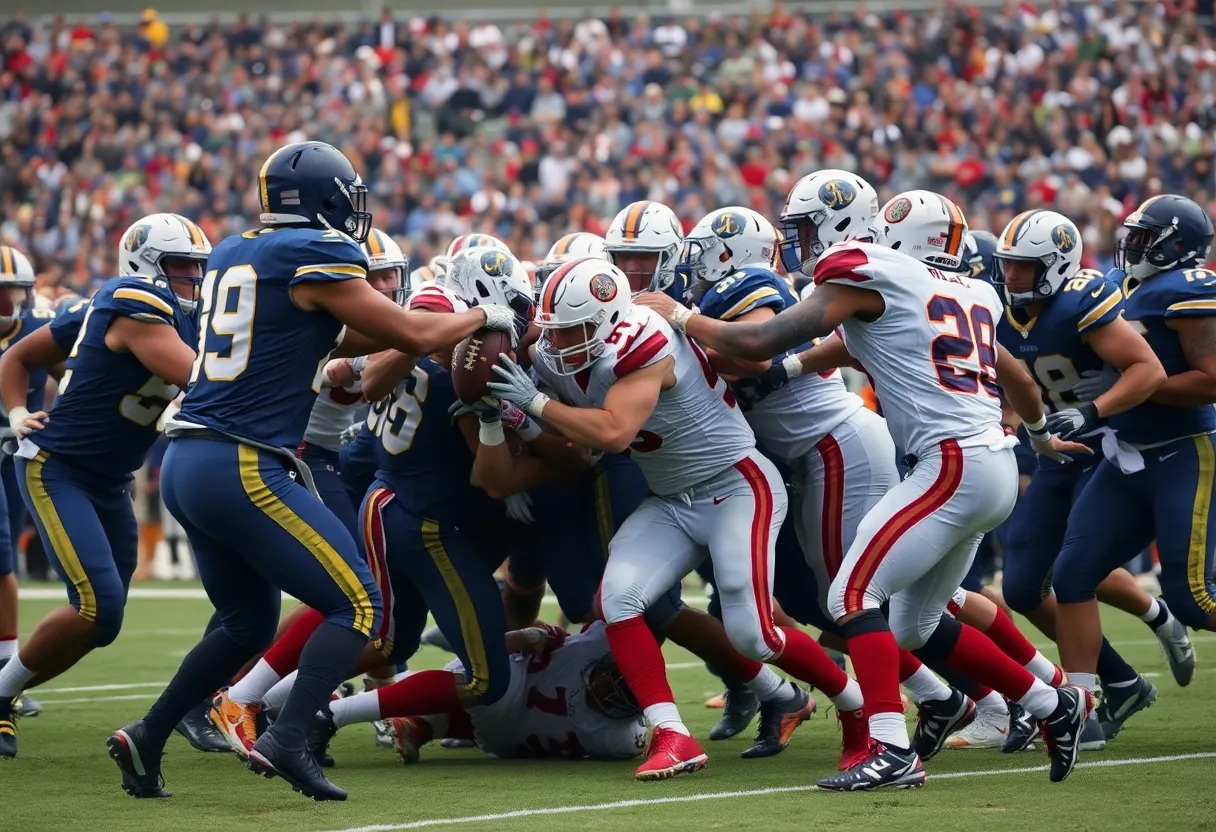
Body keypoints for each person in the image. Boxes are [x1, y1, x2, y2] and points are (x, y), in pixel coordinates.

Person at [636, 190, 1095, 789]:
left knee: (851, 598)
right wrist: (1038, 435)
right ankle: (1048, 702)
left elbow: (756, 342)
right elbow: (1019, 380)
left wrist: (677, 314)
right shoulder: (968, 291)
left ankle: (890, 748)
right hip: (991, 462)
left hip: (948, 463)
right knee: (915, 624)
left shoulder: (869, 271)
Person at [105, 141, 517, 802]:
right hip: (241, 460)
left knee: (246, 621)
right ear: (325, 196)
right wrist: (483, 316)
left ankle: (148, 736)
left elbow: (345, 333)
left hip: (187, 461)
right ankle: (289, 736)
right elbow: (409, 336)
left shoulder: (238, 250)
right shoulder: (310, 253)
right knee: (359, 604)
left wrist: (399, 335)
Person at [489, 257, 861, 781]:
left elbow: (615, 432)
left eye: (574, 328)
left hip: (735, 485)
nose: (561, 340)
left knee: (754, 634)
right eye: (556, 329)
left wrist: (532, 404)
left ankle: (855, 707)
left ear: (611, 319)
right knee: (616, 599)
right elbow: (556, 401)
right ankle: (672, 734)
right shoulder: (557, 349)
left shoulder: (645, 340)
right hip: (671, 498)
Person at [0, 215, 211, 759]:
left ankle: (5, 691)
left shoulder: (136, 310)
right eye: (181, 264)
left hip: (110, 478)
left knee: (104, 622)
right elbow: (17, 356)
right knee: (95, 604)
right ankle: (1, 694)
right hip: (59, 467)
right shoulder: (129, 301)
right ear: (147, 264)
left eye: (197, 264)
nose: (194, 275)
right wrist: (21, 410)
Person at [985, 209, 1179, 752]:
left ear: (1056, 264)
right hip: (1052, 454)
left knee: (1076, 570)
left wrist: (1093, 413)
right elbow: (1015, 378)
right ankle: (1121, 682)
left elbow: (1147, 370)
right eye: (1008, 265)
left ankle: (1082, 702)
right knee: (1022, 586)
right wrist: (1010, 414)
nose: (1012, 276)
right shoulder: (997, 307)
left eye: (1024, 266)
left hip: (1107, 451)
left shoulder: (1082, 299)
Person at [1054, 194, 1216, 739]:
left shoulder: (1188, 287)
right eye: (1133, 235)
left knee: (1194, 599)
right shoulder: (1123, 289)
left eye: (1146, 238)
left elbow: (1212, 378)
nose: (1132, 246)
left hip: (1185, 449)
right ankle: (1081, 709)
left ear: (1177, 245)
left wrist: (1133, 387)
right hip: (1127, 455)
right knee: (1073, 574)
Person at [0, 245, 51, 722]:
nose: (8, 303)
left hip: (17, 455)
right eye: (1, 293)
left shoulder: (40, 330)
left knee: (6, 558)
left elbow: (73, 375)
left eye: (13, 293)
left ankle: (5, 663)